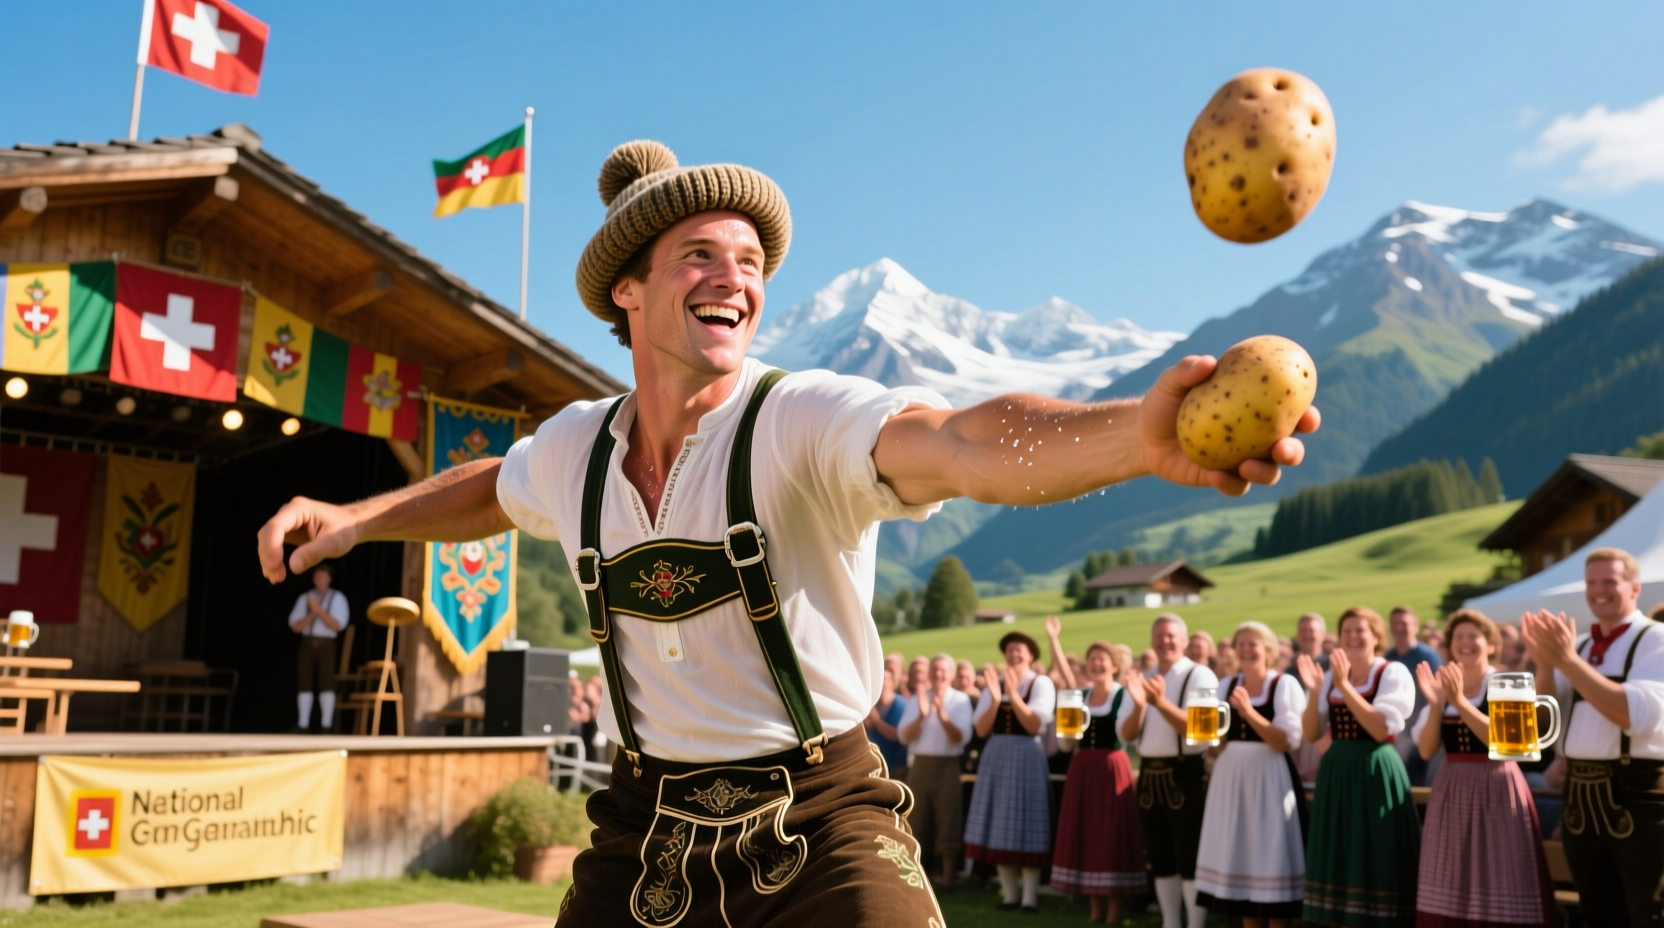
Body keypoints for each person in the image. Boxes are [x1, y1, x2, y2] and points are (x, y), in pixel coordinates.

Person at [255, 139, 1314, 927]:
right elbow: (493, 486)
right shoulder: (576, 446)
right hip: (642, 831)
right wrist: (358, 518)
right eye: (699, 255)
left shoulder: (798, 416)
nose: (737, 276)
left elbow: (961, 443)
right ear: (627, 291)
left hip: (822, 820)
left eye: (751, 259)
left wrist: (1134, 436)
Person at [1523, 547, 1664, 926]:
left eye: (1609, 581)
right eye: (1591, 582)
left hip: (1637, 792)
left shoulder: (1656, 639)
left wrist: (1567, 660)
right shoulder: (1581, 644)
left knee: (1649, 912)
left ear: (1634, 588)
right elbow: (1542, 722)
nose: (1599, 590)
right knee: (1596, 912)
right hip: (1579, 794)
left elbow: (1633, 715)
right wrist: (1546, 664)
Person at [1411, 609, 1556, 928]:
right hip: (1452, 788)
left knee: (1502, 868)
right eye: (1458, 637)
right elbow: (1426, 750)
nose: (1465, 642)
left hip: (1497, 786)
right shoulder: (1444, 687)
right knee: (1451, 873)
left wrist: (1460, 702)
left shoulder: (1506, 682)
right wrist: (1436, 704)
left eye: (1473, 636)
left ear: (1490, 644)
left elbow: (1508, 743)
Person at [1296, 606, 1420, 926]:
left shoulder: (1391, 673)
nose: (1352, 636)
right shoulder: (1330, 678)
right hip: (1336, 771)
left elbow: (1381, 729)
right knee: (1339, 847)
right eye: (1346, 631)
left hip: (1375, 768)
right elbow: (1310, 734)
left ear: (1376, 636)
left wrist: (1345, 686)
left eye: (1360, 630)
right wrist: (1314, 691)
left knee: (1376, 846)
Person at [1196, 620, 1308, 927]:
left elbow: (1283, 742)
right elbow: (1216, 746)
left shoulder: (1283, 684)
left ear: (1268, 650)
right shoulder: (1226, 685)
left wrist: (1248, 712)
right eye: (1240, 644)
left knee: (1271, 850)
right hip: (1230, 777)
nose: (1245, 650)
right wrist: (1206, 728)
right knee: (1241, 850)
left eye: (1252, 644)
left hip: (1270, 776)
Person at [1122, 613, 1218, 928]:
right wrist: (1140, 705)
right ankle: (1171, 922)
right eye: (1159, 635)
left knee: (1189, 853)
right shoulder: (1143, 677)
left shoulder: (1200, 675)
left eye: (1171, 636)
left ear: (1185, 640)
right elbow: (1127, 735)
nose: (1165, 641)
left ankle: (1196, 924)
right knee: (1159, 854)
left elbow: (1202, 732)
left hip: (1185, 771)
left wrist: (1161, 703)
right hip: (1149, 773)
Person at [1052, 639, 1145, 924]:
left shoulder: (1123, 695)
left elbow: (1127, 736)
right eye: (1092, 658)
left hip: (1111, 768)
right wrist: (1065, 724)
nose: (1096, 663)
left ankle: (1114, 909)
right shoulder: (1079, 696)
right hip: (1082, 769)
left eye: (1102, 659)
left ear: (1114, 666)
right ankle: (1094, 908)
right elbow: (1066, 745)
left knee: (1112, 835)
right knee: (1086, 832)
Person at [964, 631, 1057, 912]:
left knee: (1029, 823)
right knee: (999, 823)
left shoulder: (1041, 683)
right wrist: (995, 699)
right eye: (1010, 650)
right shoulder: (995, 684)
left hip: (1027, 755)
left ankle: (1029, 897)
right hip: (997, 756)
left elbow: (1034, 724)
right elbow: (981, 729)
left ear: (1031, 654)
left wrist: (1014, 695)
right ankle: (1009, 894)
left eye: (1020, 650)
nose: (1014, 654)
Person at [898, 653, 973, 892]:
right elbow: (904, 737)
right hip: (921, 765)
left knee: (949, 820)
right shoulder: (917, 700)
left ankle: (948, 881)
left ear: (951, 674)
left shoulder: (960, 700)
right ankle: (917, 879)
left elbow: (961, 738)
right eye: (935, 669)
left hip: (948, 765)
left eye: (943, 670)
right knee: (916, 821)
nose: (938, 674)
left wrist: (941, 714)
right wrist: (922, 715)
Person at [287, 563, 347, 732]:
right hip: (307, 642)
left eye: (322, 577)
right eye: (317, 577)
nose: (319, 580)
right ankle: (303, 724)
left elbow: (337, 625)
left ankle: (326, 725)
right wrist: (312, 611)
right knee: (304, 682)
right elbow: (295, 627)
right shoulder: (305, 598)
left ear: (329, 579)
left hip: (326, 644)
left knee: (326, 682)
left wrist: (319, 610)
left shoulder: (337, 598)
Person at [865, 663, 909, 780]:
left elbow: (898, 736)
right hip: (873, 764)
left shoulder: (902, 705)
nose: (883, 683)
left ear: (893, 682)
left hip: (895, 764)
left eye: (886, 679)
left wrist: (877, 722)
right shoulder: (871, 704)